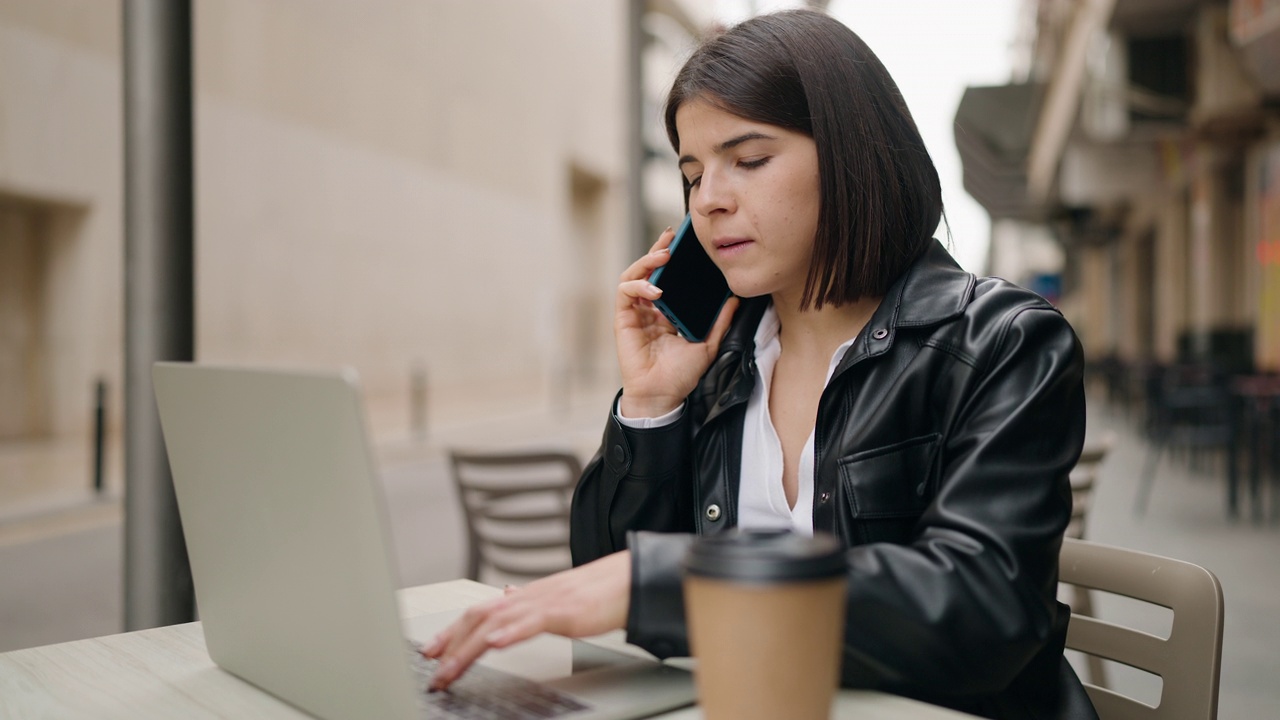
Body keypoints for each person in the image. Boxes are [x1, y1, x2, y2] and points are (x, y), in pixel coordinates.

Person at [424, 9, 1096, 720]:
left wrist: (677, 582)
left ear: (851, 157)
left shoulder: (1003, 342)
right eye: (692, 172)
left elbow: (982, 608)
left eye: (748, 160)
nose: (709, 199)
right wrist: (652, 406)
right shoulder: (721, 356)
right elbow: (606, 585)